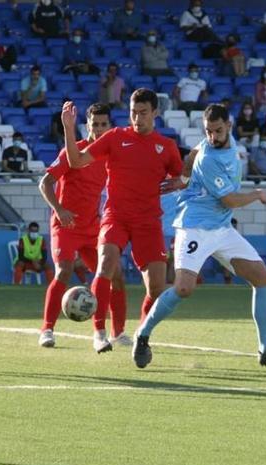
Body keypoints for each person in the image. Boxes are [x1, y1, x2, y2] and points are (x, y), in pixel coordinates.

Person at [134, 104, 266, 368]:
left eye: (217, 131)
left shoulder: (225, 143)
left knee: (263, 278)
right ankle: (142, 335)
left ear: (228, 127)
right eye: (208, 132)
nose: (212, 137)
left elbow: (192, 153)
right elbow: (231, 200)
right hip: (195, 225)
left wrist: (184, 178)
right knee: (183, 288)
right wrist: (257, 194)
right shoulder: (209, 159)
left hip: (221, 229)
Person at [60, 89, 183, 354]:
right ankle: (100, 334)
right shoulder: (116, 137)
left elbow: (182, 176)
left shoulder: (167, 147)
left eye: (143, 113)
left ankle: (142, 336)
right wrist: (69, 129)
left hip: (148, 223)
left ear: (155, 113)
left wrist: (181, 182)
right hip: (115, 216)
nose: (137, 118)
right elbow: (76, 160)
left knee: (158, 287)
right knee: (105, 266)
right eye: (133, 113)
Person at [38, 103, 129, 347]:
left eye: (103, 125)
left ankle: (117, 333)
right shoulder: (75, 151)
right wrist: (59, 209)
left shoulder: (108, 155)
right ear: (86, 126)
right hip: (65, 225)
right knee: (64, 271)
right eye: (94, 124)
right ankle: (47, 330)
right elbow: (45, 183)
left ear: (110, 127)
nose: (99, 129)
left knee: (116, 277)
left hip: (92, 227)